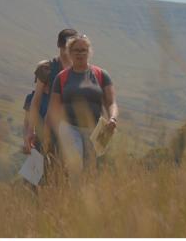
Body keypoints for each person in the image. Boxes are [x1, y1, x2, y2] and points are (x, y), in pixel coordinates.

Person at [46, 34, 118, 174]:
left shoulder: (101, 75)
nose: (80, 53)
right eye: (76, 50)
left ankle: (84, 195)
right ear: (69, 53)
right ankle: (75, 194)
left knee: (90, 170)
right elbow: (53, 109)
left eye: (83, 50)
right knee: (75, 165)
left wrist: (113, 118)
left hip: (95, 129)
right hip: (69, 128)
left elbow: (111, 103)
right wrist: (47, 135)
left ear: (89, 52)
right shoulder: (61, 77)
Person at [23, 26, 77, 156]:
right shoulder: (47, 68)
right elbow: (35, 101)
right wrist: (30, 130)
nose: (68, 51)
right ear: (59, 45)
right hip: (45, 127)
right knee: (40, 169)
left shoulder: (79, 71)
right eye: (66, 46)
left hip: (69, 129)